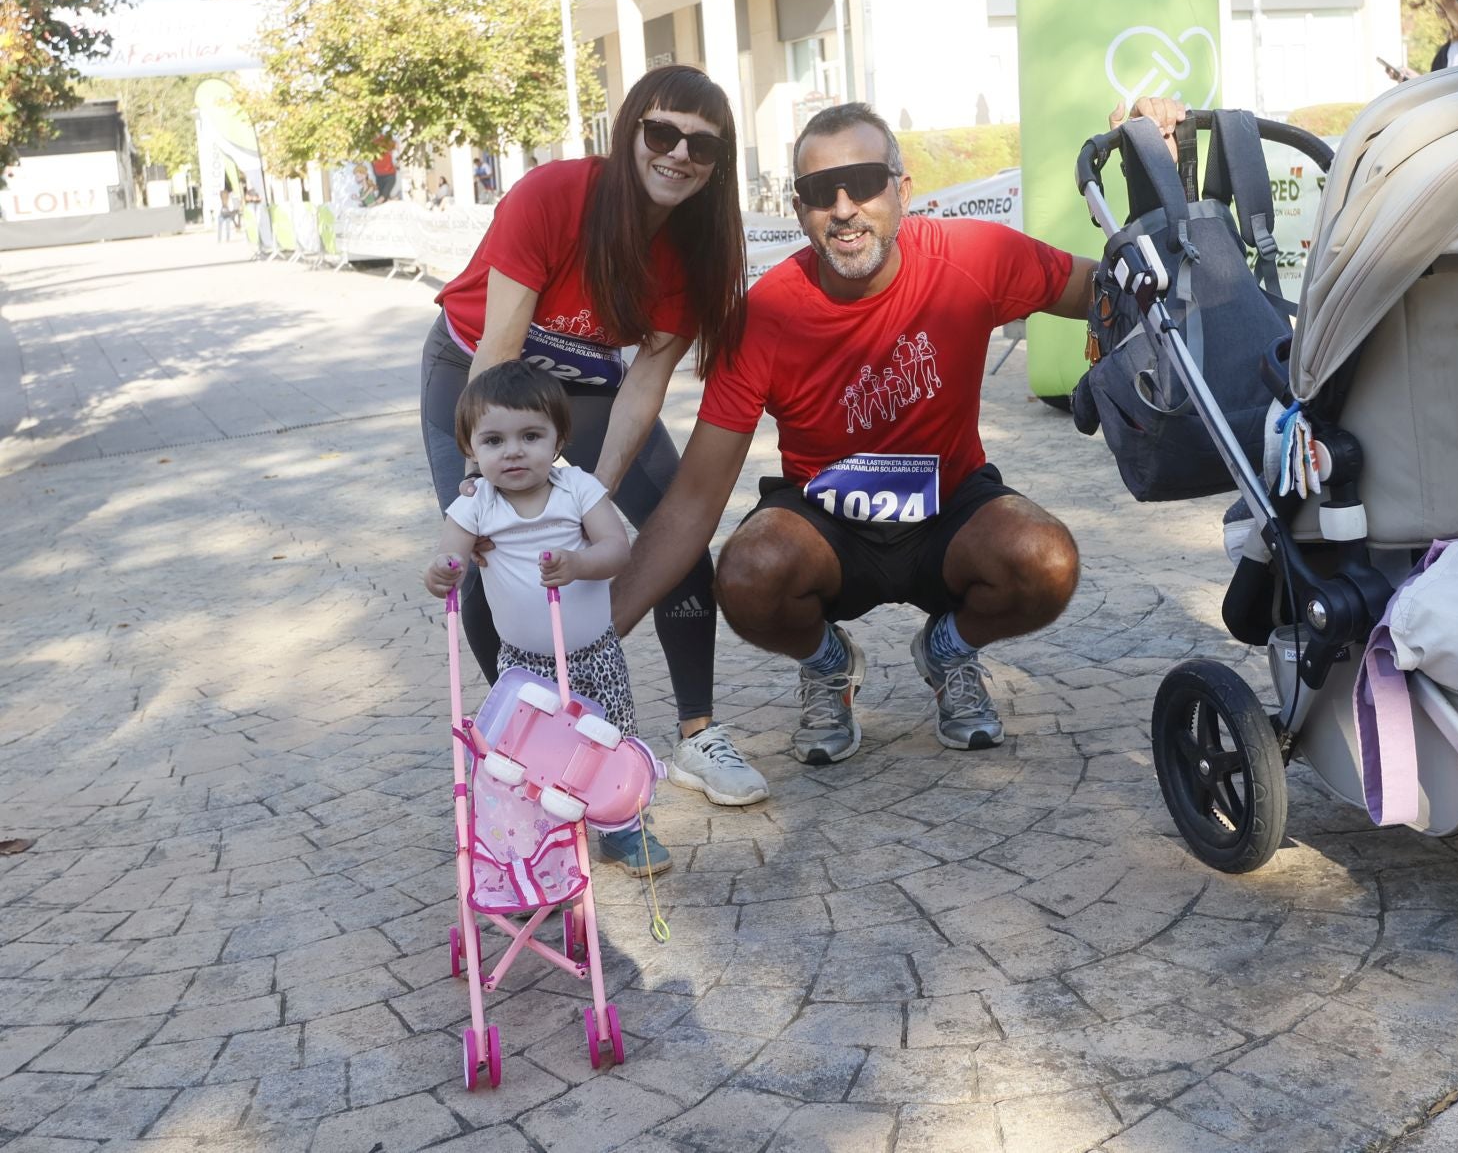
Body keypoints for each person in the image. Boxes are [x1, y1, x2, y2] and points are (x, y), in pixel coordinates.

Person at [608, 102, 1092, 768]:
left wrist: (1164, 179)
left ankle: (948, 650)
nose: (843, 209)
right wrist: (599, 635)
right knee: (748, 573)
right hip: (826, 526)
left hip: (950, 511)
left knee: (1046, 560)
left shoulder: (974, 256)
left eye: (863, 183)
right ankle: (830, 666)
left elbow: (1108, 290)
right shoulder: (764, 316)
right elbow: (693, 502)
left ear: (902, 190)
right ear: (799, 208)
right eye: (817, 193)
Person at [420, 63, 760, 868]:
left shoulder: (695, 251)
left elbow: (645, 378)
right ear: (631, 127)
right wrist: (489, 475)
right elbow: (503, 349)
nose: (679, 154)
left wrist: (593, 491)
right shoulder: (554, 196)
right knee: (490, 554)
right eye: (662, 132)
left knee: (675, 534)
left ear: (719, 163)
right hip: (477, 378)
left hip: (590, 384)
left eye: (702, 146)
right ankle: (532, 750)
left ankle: (697, 736)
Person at [423, 361, 667, 876]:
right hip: (522, 663)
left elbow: (616, 548)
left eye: (530, 436)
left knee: (609, 738)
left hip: (594, 652)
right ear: (470, 450)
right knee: (526, 751)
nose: (513, 451)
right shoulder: (474, 506)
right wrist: (444, 571)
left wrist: (578, 563)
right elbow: (450, 557)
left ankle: (622, 828)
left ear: (559, 439)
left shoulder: (578, 489)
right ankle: (535, 843)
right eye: (493, 441)